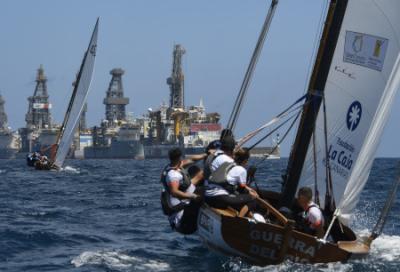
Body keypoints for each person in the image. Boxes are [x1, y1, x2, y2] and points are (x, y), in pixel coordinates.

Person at [160, 147, 208, 234]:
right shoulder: (173, 175)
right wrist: (193, 196)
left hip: (184, 210)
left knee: (195, 171)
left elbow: (192, 159)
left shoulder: (172, 166)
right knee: (205, 190)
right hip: (182, 222)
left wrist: (206, 155)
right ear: (179, 158)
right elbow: (174, 192)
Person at [205, 147, 259, 217]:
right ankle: (239, 220)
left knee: (239, 197)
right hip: (219, 199)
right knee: (253, 199)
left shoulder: (226, 164)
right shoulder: (242, 170)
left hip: (207, 197)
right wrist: (252, 194)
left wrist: (249, 189)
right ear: (245, 160)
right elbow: (242, 188)